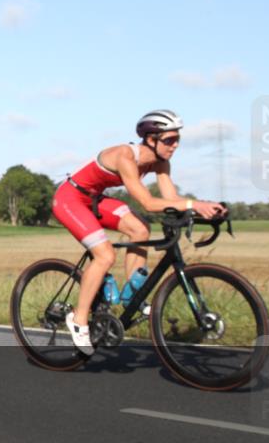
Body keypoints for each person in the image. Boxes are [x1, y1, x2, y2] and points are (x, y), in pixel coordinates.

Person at [51, 110, 226, 355]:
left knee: (140, 229)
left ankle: (131, 296)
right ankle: (78, 320)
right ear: (151, 139)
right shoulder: (125, 156)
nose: (174, 145)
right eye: (169, 140)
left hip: (94, 199)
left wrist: (203, 208)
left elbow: (171, 199)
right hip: (70, 198)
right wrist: (194, 205)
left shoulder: (161, 162)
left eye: (178, 140)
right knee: (105, 255)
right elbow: (148, 202)